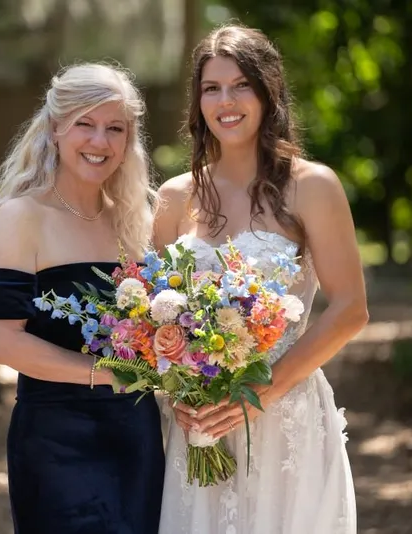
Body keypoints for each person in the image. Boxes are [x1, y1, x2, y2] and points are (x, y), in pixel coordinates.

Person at [154, 25, 367, 533]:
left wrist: (258, 395)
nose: (226, 101)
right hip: (201, 425)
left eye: (240, 85)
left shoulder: (312, 187)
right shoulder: (174, 197)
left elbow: (350, 310)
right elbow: (155, 314)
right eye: (212, 88)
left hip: (285, 415)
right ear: (198, 101)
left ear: (269, 91)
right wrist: (178, 391)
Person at [0, 63, 164, 534]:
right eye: (85, 123)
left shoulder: (136, 224)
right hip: (56, 443)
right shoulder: (23, 216)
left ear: (128, 141)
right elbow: (3, 343)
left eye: (114, 128)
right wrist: (106, 375)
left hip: (136, 436)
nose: (99, 142)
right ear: (56, 129)